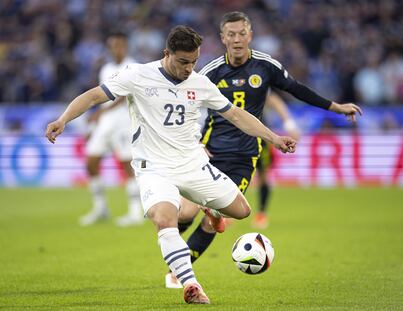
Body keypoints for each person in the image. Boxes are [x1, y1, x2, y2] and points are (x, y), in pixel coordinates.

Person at [45, 25, 297, 304]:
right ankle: (190, 284)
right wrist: (63, 119)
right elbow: (93, 96)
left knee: (241, 211)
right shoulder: (138, 75)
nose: (189, 68)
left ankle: (210, 207)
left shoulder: (200, 83)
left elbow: (236, 115)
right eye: (183, 62)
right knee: (164, 220)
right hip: (153, 167)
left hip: (192, 164)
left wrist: (273, 137)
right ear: (167, 54)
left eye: (194, 62)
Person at [165, 11, 362, 289]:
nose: (236, 39)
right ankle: (173, 243)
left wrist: (336, 106)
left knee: (216, 218)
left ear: (250, 35)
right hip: (209, 153)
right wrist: (194, 142)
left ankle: (177, 273)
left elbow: (297, 89)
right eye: (230, 34)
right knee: (185, 214)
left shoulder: (265, 66)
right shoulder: (209, 71)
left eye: (241, 33)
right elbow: (186, 106)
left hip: (245, 156)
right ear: (222, 38)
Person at [80, 31, 143, 227]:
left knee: (127, 165)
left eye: (120, 45)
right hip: (106, 123)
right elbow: (102, 94)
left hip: (125, 122)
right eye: (113, 45)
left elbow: (124, 94)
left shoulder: (134, 67)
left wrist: (101, 112)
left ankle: (135, 212)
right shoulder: (106, 68)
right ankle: (101, 209)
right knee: (91, 163)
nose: (116, 49)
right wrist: (96, 121)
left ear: (125, 46)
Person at [252, 92, 301, 229]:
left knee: (263, 174)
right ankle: (226, 214)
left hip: (261, 136)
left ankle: (261, 213)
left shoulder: (255, 77)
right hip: (231, 136)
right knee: (229, 173)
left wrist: (289, 124)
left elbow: (273, 100)